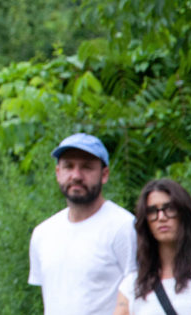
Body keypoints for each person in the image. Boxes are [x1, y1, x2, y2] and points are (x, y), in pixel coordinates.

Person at [29, 132, 136, 315]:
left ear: (104, 174)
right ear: (58, 173)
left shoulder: (124, 227)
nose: (76, 176)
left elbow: (141, 295)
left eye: (86, 167)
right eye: (68, 166)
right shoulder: (43, 234)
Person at [114, 178, 191, 314]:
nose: (161, 217)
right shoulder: (132, 284)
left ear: (184, 214)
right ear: (145, 222)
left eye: (169, 208)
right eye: (152, 211)